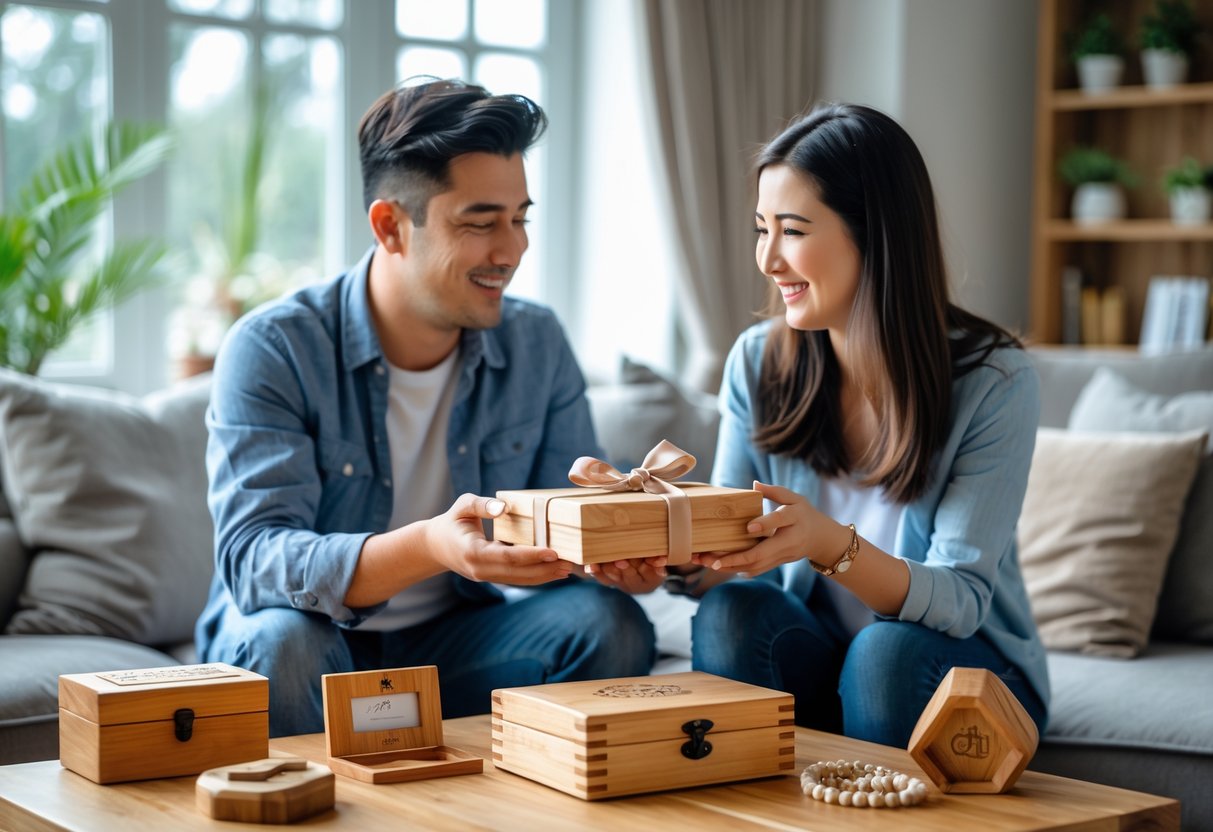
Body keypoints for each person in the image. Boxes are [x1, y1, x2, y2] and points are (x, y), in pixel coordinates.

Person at [195, 79, 655, 737]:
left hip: (456, 642)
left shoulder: (537, 342)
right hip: (309, 643)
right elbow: (254, 557)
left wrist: (613, 557)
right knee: (285, 643)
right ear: (390, 226)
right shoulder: (275, 347)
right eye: (480, 223)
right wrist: (432, 546)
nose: (513, 250)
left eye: (520, 219)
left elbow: (561, 523)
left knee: (609, 624)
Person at [677, 102, 1049, 746]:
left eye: (793, 231)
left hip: (960, 668)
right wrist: (667, 553)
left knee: (885, 652)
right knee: (734, 610)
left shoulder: (995, 381)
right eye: (762, 229)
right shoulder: (759, 362)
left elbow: (960, 599)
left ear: (875, 235)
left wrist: (826, 542)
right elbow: (737, 547)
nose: (768, 260)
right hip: (828, 657)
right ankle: (743, 796)